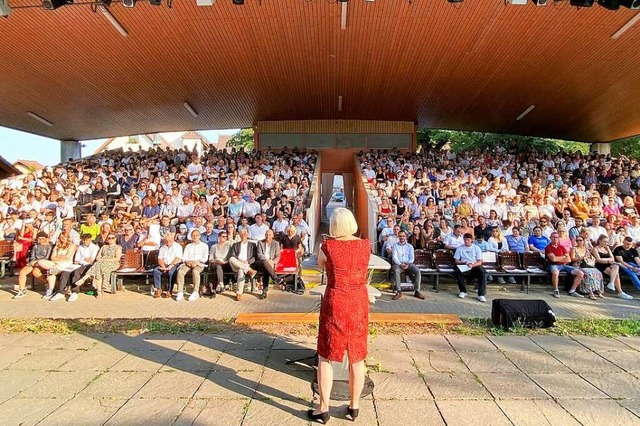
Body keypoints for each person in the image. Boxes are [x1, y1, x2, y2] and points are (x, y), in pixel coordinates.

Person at [312, 208, 370, 423]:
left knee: (326, 354)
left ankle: (323, 408)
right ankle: (354, 406)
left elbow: (320, 264)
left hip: (336, 299)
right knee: (357, 354)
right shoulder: (365, 245)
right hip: (357, 300)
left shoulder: (327, 246)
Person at [50, 233, 98, 302]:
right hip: (78, 264)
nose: (84, 242)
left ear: (90, 239)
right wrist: (84, 259)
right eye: (83, 240)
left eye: (86, 240)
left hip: (88, 265)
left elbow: (91, 260)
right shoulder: (81, 247)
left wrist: (83, 259)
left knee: (76, 272)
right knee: (65, 272)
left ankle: (75, 292)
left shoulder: (94, 247)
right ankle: (61, 291)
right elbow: (76, 259)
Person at [592, 234, 633, 300]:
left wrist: (607, 260)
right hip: (600, 265)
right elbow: (598, 260)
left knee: (616, 266)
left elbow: (612, 258)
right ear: (599, 241)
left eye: (606, 242)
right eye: (604, 241)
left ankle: (611, 284)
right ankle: (620, 292)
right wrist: (608, 261)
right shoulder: (595, 248)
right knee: (616, 274)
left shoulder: (607, 248)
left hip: (609, 264)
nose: (605, 243)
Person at [37, 233, 77, 300]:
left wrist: (58, 257)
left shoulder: (72, 245)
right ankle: (53, 271)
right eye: (61, 237)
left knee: (50, 271)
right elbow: (53, 257)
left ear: (68, 238)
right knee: (40, 262)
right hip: (55, 263)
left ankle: (50, 289)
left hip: (66, 264)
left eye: (64, 237)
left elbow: (67, 257)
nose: (62, 238)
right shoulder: (57, 246)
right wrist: (60, 258)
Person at [13, 232, 52, 299]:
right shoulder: (36, 246)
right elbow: (33, 256)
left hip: (43, 262)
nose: (40, 240)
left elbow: (47, 257)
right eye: (38, 238)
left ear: (45, 239)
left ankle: (47, 282)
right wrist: (32, 262)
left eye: (42, 238)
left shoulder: (49, 246)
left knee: (35, 272)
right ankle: (21, 290)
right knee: (22, 272)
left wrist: (37, 262)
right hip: (34, 262)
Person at [545, 232, 584, 298]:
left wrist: (558, 258)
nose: (555, 239)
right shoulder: (548, 248)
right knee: (555, 272)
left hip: (563, 265)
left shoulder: (562, 247)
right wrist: (563, 257)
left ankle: (572, 291)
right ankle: (556, 290)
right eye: (553, 237)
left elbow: (568, 260)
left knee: (580, 273)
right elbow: (553, 260)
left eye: (556, 237)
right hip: (552, 265)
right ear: (550, 238)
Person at [174, 229, 209, 302]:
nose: (195, 237)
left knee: (195, 272)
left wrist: (196, 262)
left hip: (199, 263)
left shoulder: (204, 245)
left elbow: (205, 258)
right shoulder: (188, 246)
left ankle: (195, 292)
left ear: (199, 236)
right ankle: (180, 292)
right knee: (180, 272)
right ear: (191, 237)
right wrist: (187, 261)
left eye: (196, 235)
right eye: (193, 235)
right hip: (188, 263)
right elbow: (184, 257)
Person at [390, 230, 425, 300]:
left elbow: (412, 258)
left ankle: (417, 291)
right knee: (396, 270)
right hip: (399, 264)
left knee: (417, 271)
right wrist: (400, 264)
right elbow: (394, 257)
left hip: (408, 264)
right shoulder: (395, 246)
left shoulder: (410, 246)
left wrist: (407, 264)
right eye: (400, 236)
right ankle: (399, 291)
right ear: (398, 237)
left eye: (403, 236)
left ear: (406, 237)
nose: (402, 238)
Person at [453, 233, 487, 302]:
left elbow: (480, 261)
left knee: (482, 271)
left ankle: (481, 294)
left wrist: (472, 265)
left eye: (468, 240)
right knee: (457, 271)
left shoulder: (476, 248)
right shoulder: (459, 248)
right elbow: (456, 261)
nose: (466, 241)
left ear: (471, 240)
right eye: (465, 240)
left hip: (474, 265)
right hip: (464, 265)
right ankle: (463, 291)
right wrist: (464, 262)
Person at [570, 236, 604, 300]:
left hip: (587, 265)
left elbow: (591, 257)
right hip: (578, 265)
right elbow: (572, 259)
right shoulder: (574, 249)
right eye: (577, 240)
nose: (579, 242)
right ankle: (590, 292)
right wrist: (580, 258)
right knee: (588, 274)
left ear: (583, 241)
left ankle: (598, 290)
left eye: (580, 240)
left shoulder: (586, 249)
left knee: (598, 273)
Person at [228, 228, 258, 301]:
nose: (243, 235)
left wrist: (247, 261)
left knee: (241, 270)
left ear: (247, 235)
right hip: (236, 264)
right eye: (241, 234)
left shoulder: (253, 245)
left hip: (246, 264)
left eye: (244, 233)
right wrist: (239, 260)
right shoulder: (235, 244)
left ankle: (239, 293)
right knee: (231, 259)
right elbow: (232, 255)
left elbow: (255, 257)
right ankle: (250, 270)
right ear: (239, 235)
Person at [255, 229, 284, 299]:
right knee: (265, 263)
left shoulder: (276, 244)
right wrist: (268, 261)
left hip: (270, 264)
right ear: (265, 235)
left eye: (270, 235)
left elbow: (278, 256)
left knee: (266, 270)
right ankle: (275, 277)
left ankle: (264, 292)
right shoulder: (260, 242)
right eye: (267, 234)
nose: (268, 236)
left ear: (272, 236)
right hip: (260, 263)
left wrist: (273, 262)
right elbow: (259, 255)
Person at [152, 233, 183, 298]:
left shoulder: (178, 247)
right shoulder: (162, 247)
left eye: (170, 240)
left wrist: (170, 267)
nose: (168, 242)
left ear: (173, 239)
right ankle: (158, 289)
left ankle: (170, 290)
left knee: (171, 272)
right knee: (156, 271)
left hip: (174, 264)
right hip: (164, 264)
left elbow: (177, 258)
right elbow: (160, 258)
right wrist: (163, 266)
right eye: (166, 240)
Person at [208, 231, 232, 296]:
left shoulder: (229, 247)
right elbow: (210, 259)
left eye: (226, 237)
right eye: (223, 236)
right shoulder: (214, 246)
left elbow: (230, 258)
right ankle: (221, 283)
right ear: (219, 237)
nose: (225, 238)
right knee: (218, 266)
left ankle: (218, 285)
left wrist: (225, 262)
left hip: (225, 264)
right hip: (215, 263)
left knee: (219, 267)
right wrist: (216, 261)